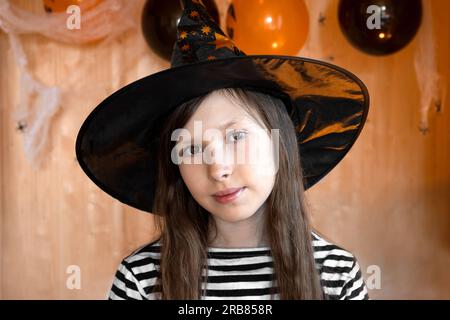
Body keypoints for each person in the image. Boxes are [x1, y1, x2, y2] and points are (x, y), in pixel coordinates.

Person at [75, 0, 370, 300]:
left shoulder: (337, 275)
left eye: (237, 136)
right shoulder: (140, 281)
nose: (218, 170)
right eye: (191, 149)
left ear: (280, 145)